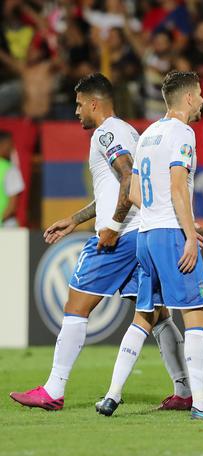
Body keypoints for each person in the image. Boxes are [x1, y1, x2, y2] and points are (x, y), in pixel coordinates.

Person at [9, 73, 187, 412]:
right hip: (143, 232)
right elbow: (115, 188)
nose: (76, 111)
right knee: (158, 314)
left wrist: (113, 226)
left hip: (119, 237)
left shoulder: (107, 132)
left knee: (76, 307)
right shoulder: (129, 131)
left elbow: (126, 176)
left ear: (94, 103)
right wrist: (76, 219)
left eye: (79, 104)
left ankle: (53, 390)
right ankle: (185, 389)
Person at [127, 71, 203, 420]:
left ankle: (112, 394)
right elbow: (179, 187)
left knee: (148, 314)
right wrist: (187, 234)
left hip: (146, 234)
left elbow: (134, 193)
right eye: (198, 94)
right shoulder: (184, 132)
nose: (202, 100)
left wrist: (158, 214)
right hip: (170, 233)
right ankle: (201, 403)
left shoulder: (149, 133)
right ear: (186, 98)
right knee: (196, 314)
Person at [0, 130, 25, 227]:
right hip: (6, 226)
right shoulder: (10, 170)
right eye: (9, 144)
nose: (12, 148)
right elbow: (12, 205)